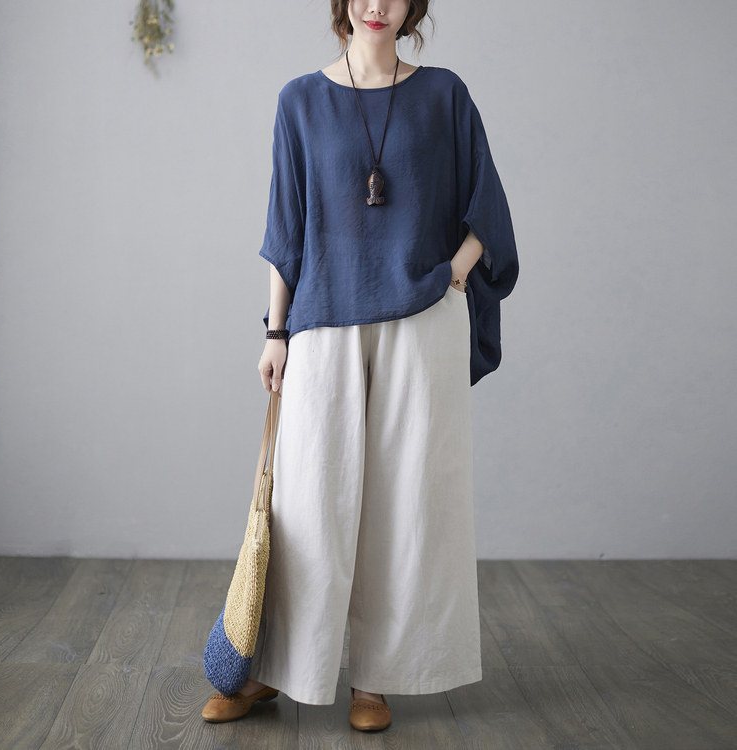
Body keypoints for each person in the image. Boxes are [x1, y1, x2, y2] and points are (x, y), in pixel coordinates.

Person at [201, 0, 518, 732]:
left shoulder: (444, 95)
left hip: (422, 323)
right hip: (324, 321)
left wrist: (455, 275)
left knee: (408, 504)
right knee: (308, 504)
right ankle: (275, 667)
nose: (378, 5)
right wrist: (275, 330)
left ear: (413, 6)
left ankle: (377, 678)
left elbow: (489, 209)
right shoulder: (299, 101)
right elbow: (286, 226)